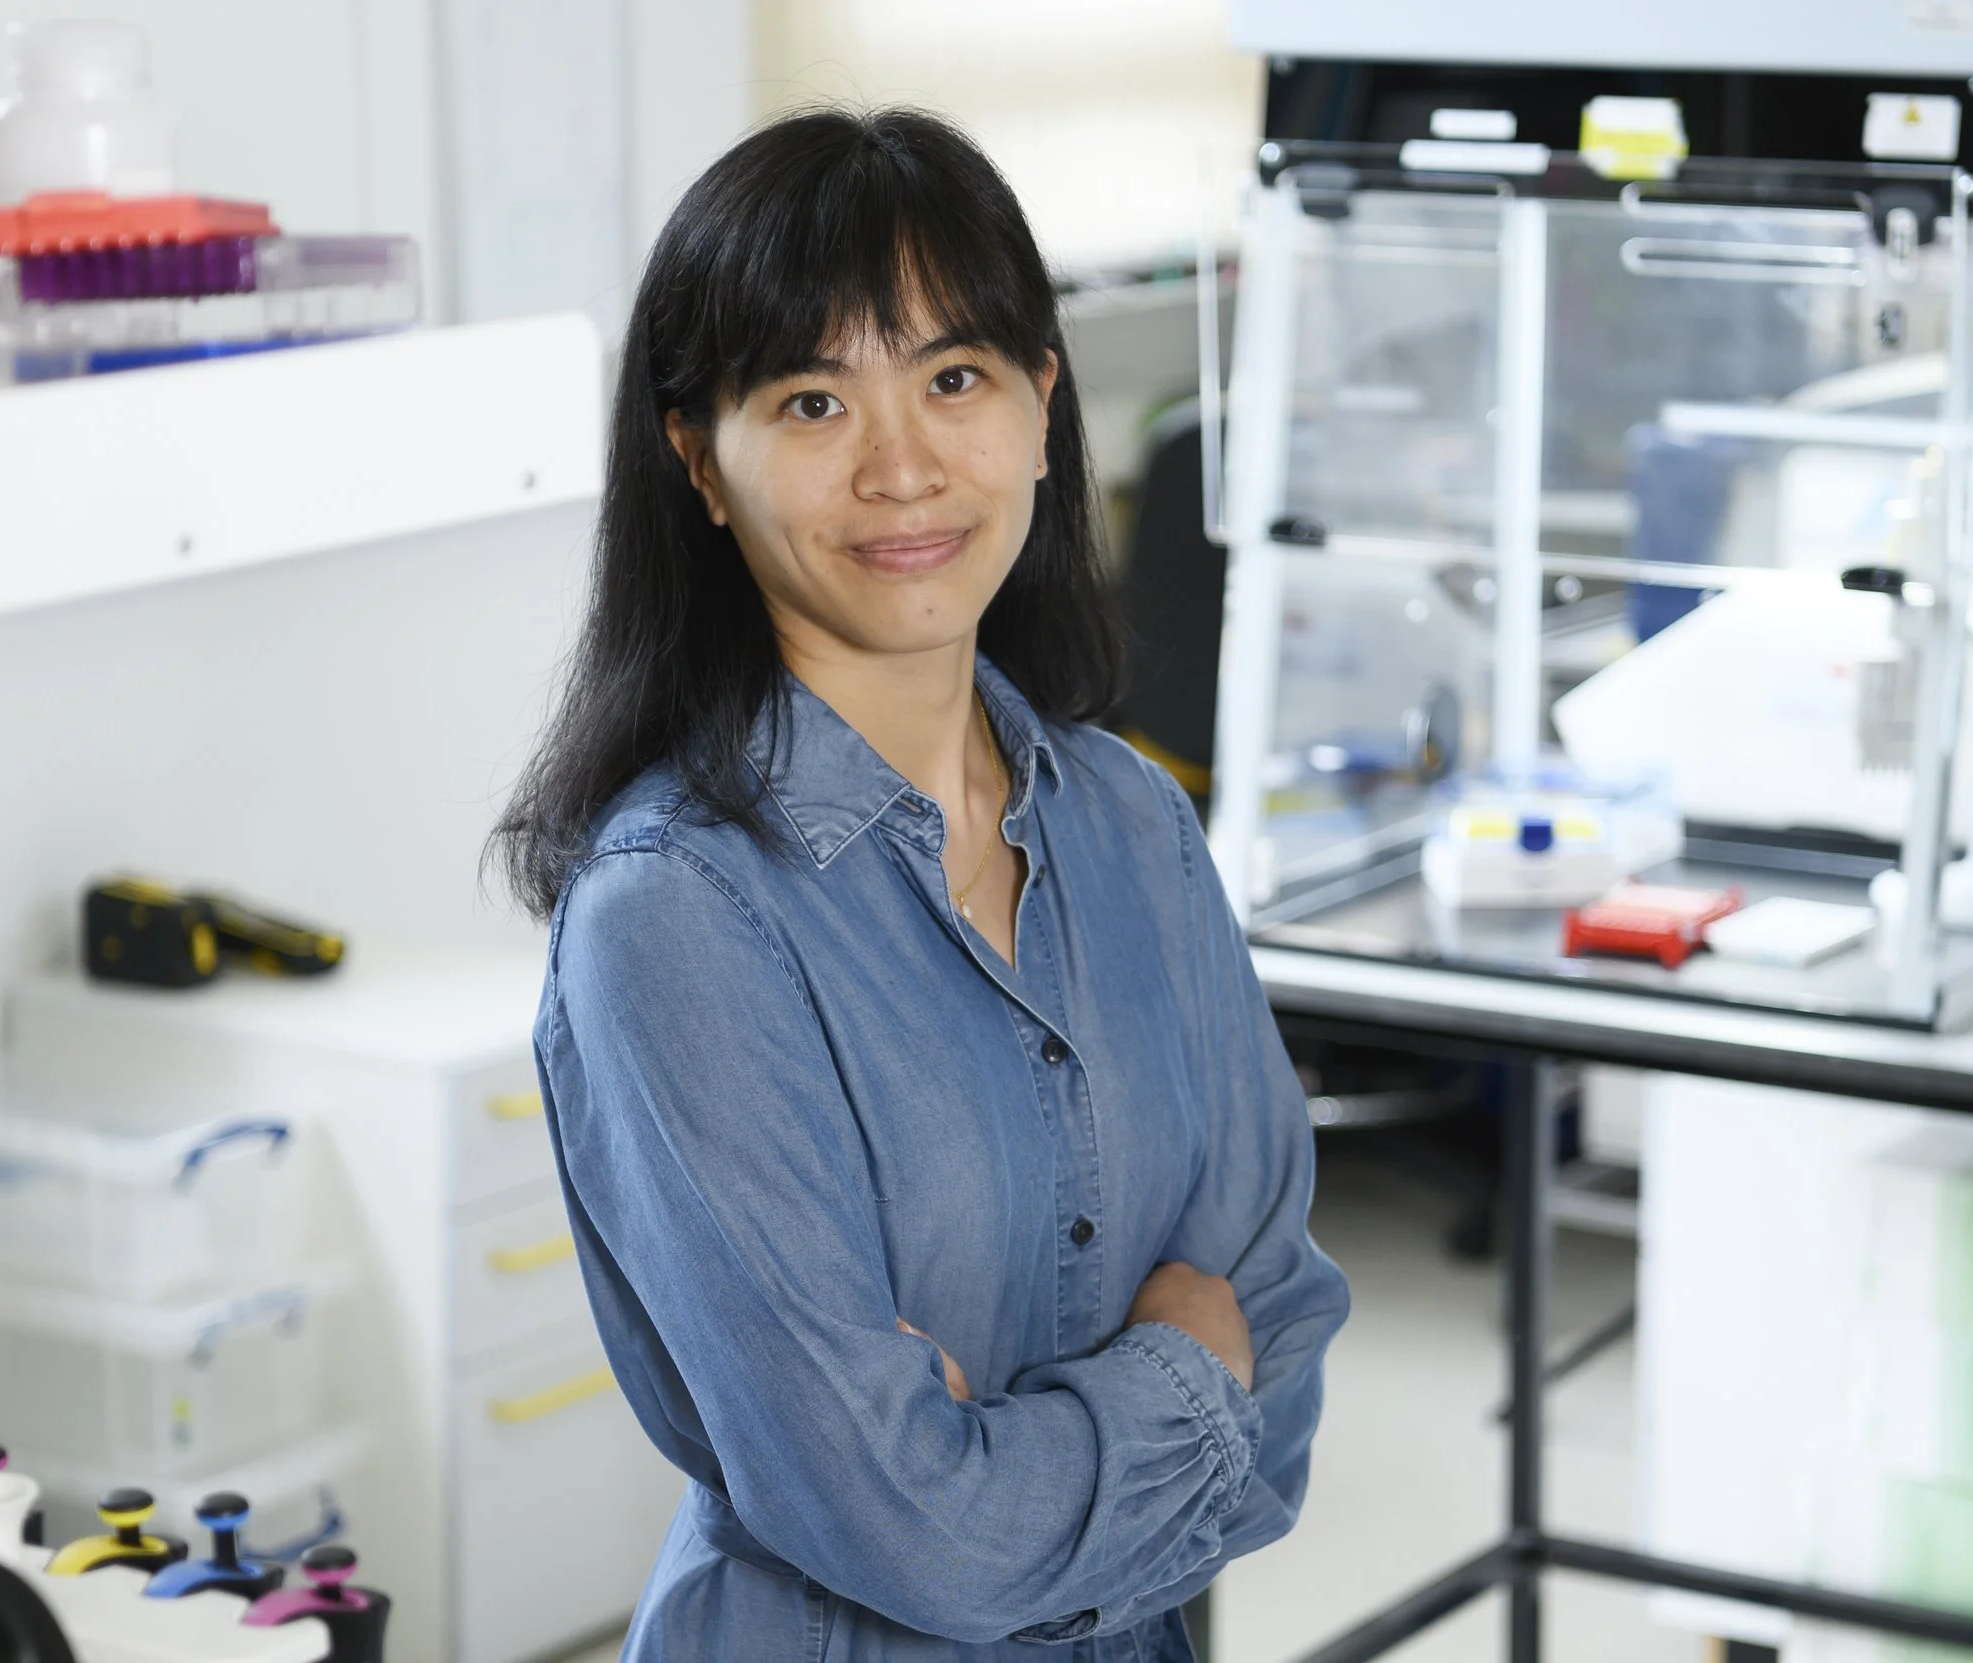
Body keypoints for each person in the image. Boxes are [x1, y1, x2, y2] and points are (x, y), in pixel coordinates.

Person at [494, 107, 1350, 1661]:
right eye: (813, 399)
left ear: (1041, 400)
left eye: (954, 378)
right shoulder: (674, 920)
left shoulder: (1135, 826)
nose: (903, 467)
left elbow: (1280, 1344)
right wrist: (1176, 1370)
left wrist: (1015, 1458)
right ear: (700, 459)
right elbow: (911, 1534)